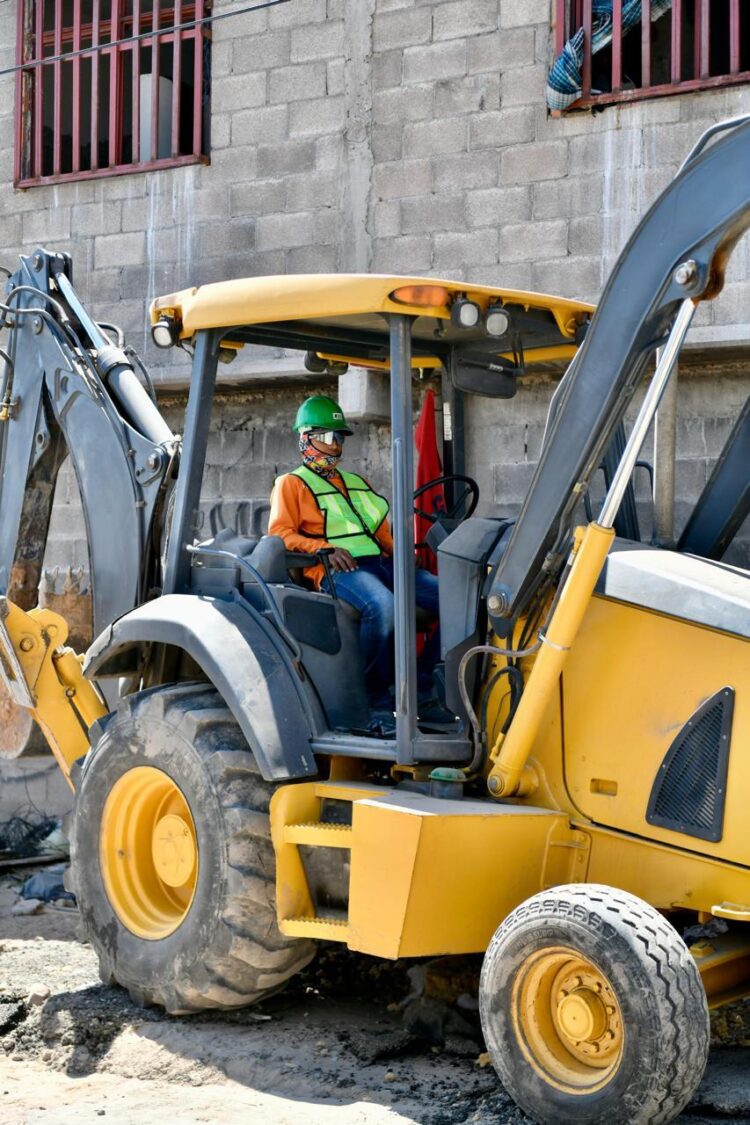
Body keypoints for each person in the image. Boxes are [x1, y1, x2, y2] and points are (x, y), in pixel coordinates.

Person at [268, 394, 442, 716]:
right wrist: (323, 548)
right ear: (304, 438)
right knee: (384, 608)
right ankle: (375, 701)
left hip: (382, 563)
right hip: (338, 570)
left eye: (338, 437)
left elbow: (378, 532)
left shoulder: (357, 482)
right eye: (325, 437)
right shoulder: (291, 484)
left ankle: (424, 688)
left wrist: (401, 553)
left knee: (454, 598)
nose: (334, 445)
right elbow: (280, 533)